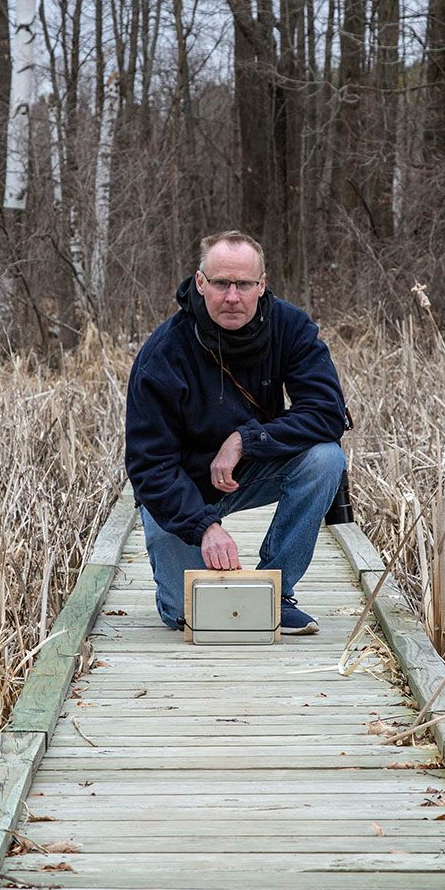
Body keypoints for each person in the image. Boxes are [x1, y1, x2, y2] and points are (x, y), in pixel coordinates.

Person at [125, 230, 349, 635]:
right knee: (186, 614)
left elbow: (328, 413)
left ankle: (275, 591)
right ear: (200, 282)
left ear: (261, 286)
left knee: (325, 457)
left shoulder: (291, 328)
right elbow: (149, 465)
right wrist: (205, 527)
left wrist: (245, 440)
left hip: (249, 469)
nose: (233, 296)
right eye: (221, 283)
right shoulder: (163, 354)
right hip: (183, 485)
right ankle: (173, 585)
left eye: (244, 284)